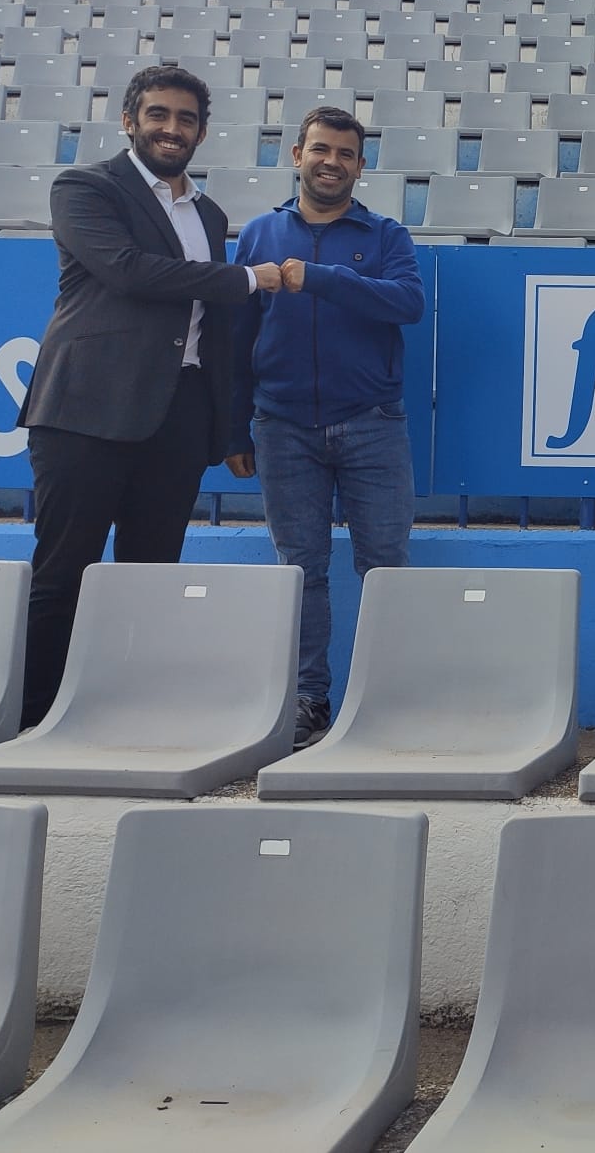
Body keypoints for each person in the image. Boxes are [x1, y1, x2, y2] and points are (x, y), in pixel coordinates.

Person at [18, 65, 282, 725]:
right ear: (129, 121)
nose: (172, 128)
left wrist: (224, 424)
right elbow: (129, 272)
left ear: (202, 132)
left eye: (186, 119)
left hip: (179, 415)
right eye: (158, 114)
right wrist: (247, 279)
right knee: (64, 574)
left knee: (152, 577)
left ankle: (127, 716)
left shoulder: (209, 213)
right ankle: (33, 724)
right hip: (86, 410)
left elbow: (211, 328)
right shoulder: (85, 187)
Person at [228, 106, 424, 748]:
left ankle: (389, 695)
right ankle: (310, 699)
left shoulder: (387, 235)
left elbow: (408, 304)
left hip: (372, 424)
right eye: (320, 149)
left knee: (386, 565)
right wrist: (234, 427)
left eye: (345, 153)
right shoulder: (259, 234)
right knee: (301, 568)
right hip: (281, 427)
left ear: (360, 166)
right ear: (298, 155)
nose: (331, 162)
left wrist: (321, 278)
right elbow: (237, 335)